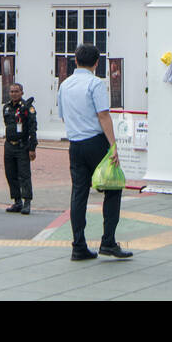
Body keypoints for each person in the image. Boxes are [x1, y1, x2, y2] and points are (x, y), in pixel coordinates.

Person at [57, 43, 131, 261]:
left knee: (79, 192)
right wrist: (113, 146)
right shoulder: (95, 84)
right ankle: (108, 241)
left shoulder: (65, 85)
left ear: (76, 61)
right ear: (97, 63)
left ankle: (78, 245)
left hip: (75, 144)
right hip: (95, 142)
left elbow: (62, 115)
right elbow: (103, 115)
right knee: (113, 188)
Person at [2, 82, 38, 214]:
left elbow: (32, 128)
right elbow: (7, 124)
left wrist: (32, 148)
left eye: (16, 91)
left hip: (22, 146)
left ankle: (27, 202)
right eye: (11, 91)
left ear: (22, 93)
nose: (14, 94)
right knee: (11, 174)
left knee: (24, 175)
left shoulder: (28, 108)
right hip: (9, 146)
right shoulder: (6, 108)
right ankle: (17, 201)